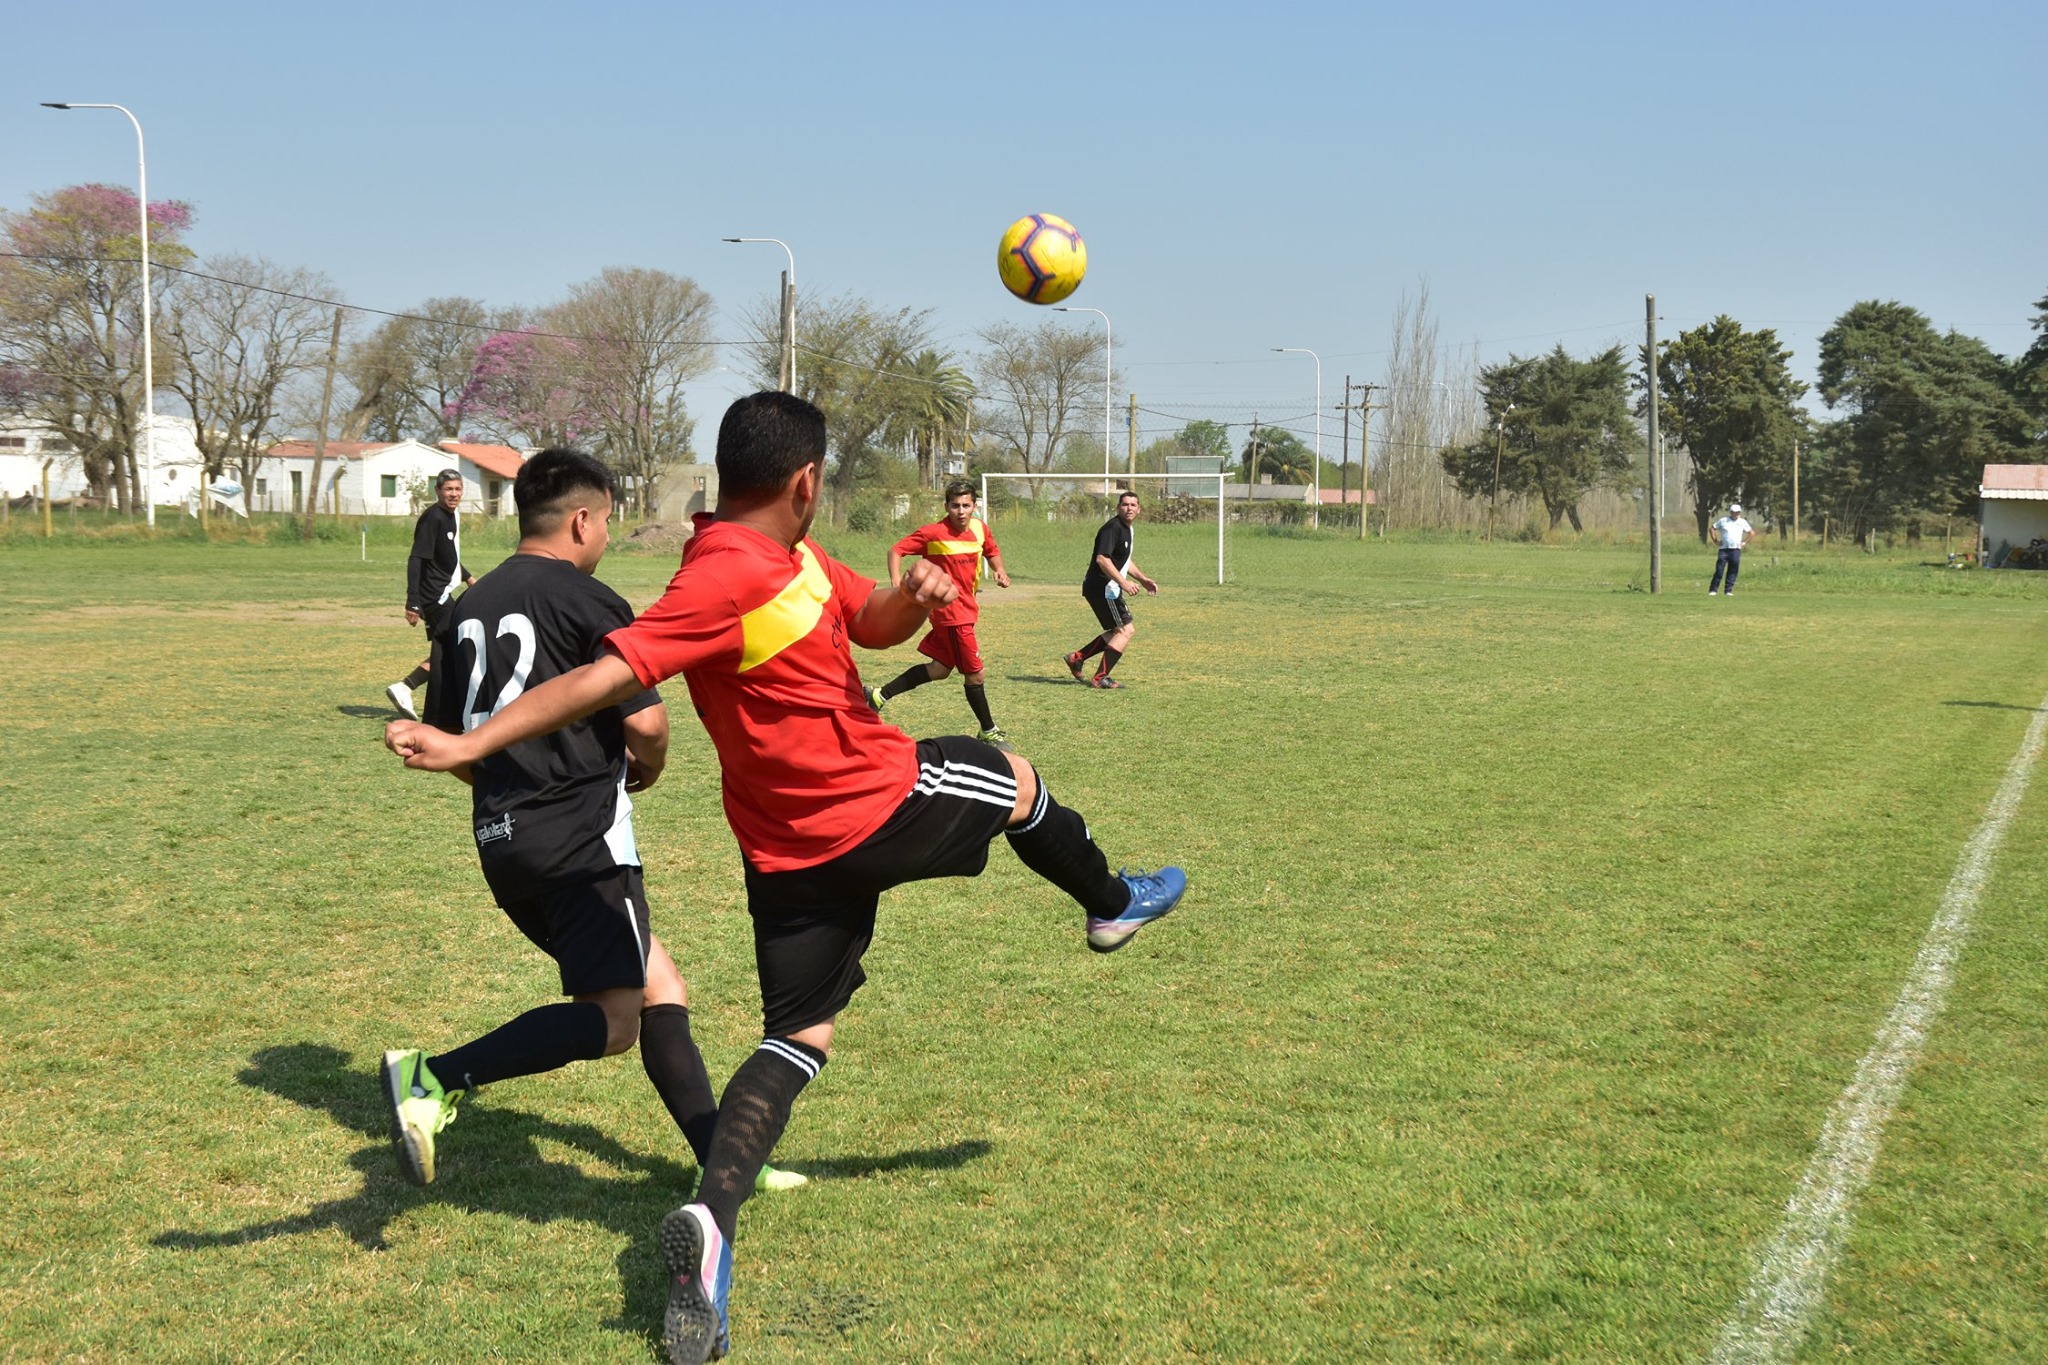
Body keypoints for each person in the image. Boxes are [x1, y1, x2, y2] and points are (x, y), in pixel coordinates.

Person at [385, 393, 1186, 1365]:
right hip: (871, 803)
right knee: (1011, 778)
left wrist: (915, 596)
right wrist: (465, 739)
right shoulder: (720, 577)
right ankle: (1109, 906)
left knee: (797, 1036)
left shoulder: (786, 557)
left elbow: (870, 623)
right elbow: (599, 678)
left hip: (787, 858)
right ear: (806, 482)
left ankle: (711, 1226)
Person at [380, 448, 800, 1198]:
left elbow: (456, 749)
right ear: (581, 520)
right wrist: (651, 765)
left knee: (659, 984)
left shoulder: (462, 614)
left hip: (501, 843)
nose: (606, 535)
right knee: (615, 1020)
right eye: (606, 520)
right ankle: (433, 1074)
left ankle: (725, 1161)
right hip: (582, 842)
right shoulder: (585, 598)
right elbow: (647, 724)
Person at [864, 479, 1012, 745]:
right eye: (955, 505)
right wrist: (897, 584)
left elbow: (992, 550)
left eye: (966, 505)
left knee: (940, 669)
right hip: (952, 615)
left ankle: (878, 695)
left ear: (974, 506)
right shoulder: (933, 533)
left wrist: (1000, 569)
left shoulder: (980, 528)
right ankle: (988, 730)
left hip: (967, 609)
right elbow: (895, 550)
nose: (961, 511)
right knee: (975, 674)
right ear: (946, 506)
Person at [386, 469, 475, 719]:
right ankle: (406, 688)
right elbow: (416, 558)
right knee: (455, 646)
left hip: (443, 592)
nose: (454, 494)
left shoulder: (452, 515)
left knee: (453, 646)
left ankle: (412, 691)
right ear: (437, 491)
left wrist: (467, 576)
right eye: (448, 489)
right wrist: (413, 602)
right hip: (433, 596)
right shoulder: (433, 518)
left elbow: (447, 554)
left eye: (458, 489)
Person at [1063, 489, 1158, 689]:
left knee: (1117, 631)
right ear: (1118, 508)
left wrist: (1142, 579)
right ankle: (1100, 677)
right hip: (1103, 587)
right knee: (1126, 630)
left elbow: (1123, 560)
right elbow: (1102, 559)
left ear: (1139, 510)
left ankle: (1077, 658)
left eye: (1133, 505)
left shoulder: (1127, 529)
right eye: (1125, 504)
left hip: (1106, 587)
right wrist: (1123, 582)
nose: (1129, 508)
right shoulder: (1112, 528)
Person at [1709, 501, 1754, 596]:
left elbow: (1752, 533)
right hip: (1724, 549)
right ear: (1730, 512)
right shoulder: (1724, 520)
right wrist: (1716, 541)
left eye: (1738, 512)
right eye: (1734, 512)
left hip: (1736, 550)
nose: (1736, 514)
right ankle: (1713, 590)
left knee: (1733, 570)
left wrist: (1744, 543)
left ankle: (1728, 590)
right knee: (1719, 570)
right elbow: (1712, 528)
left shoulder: (1742, 522)